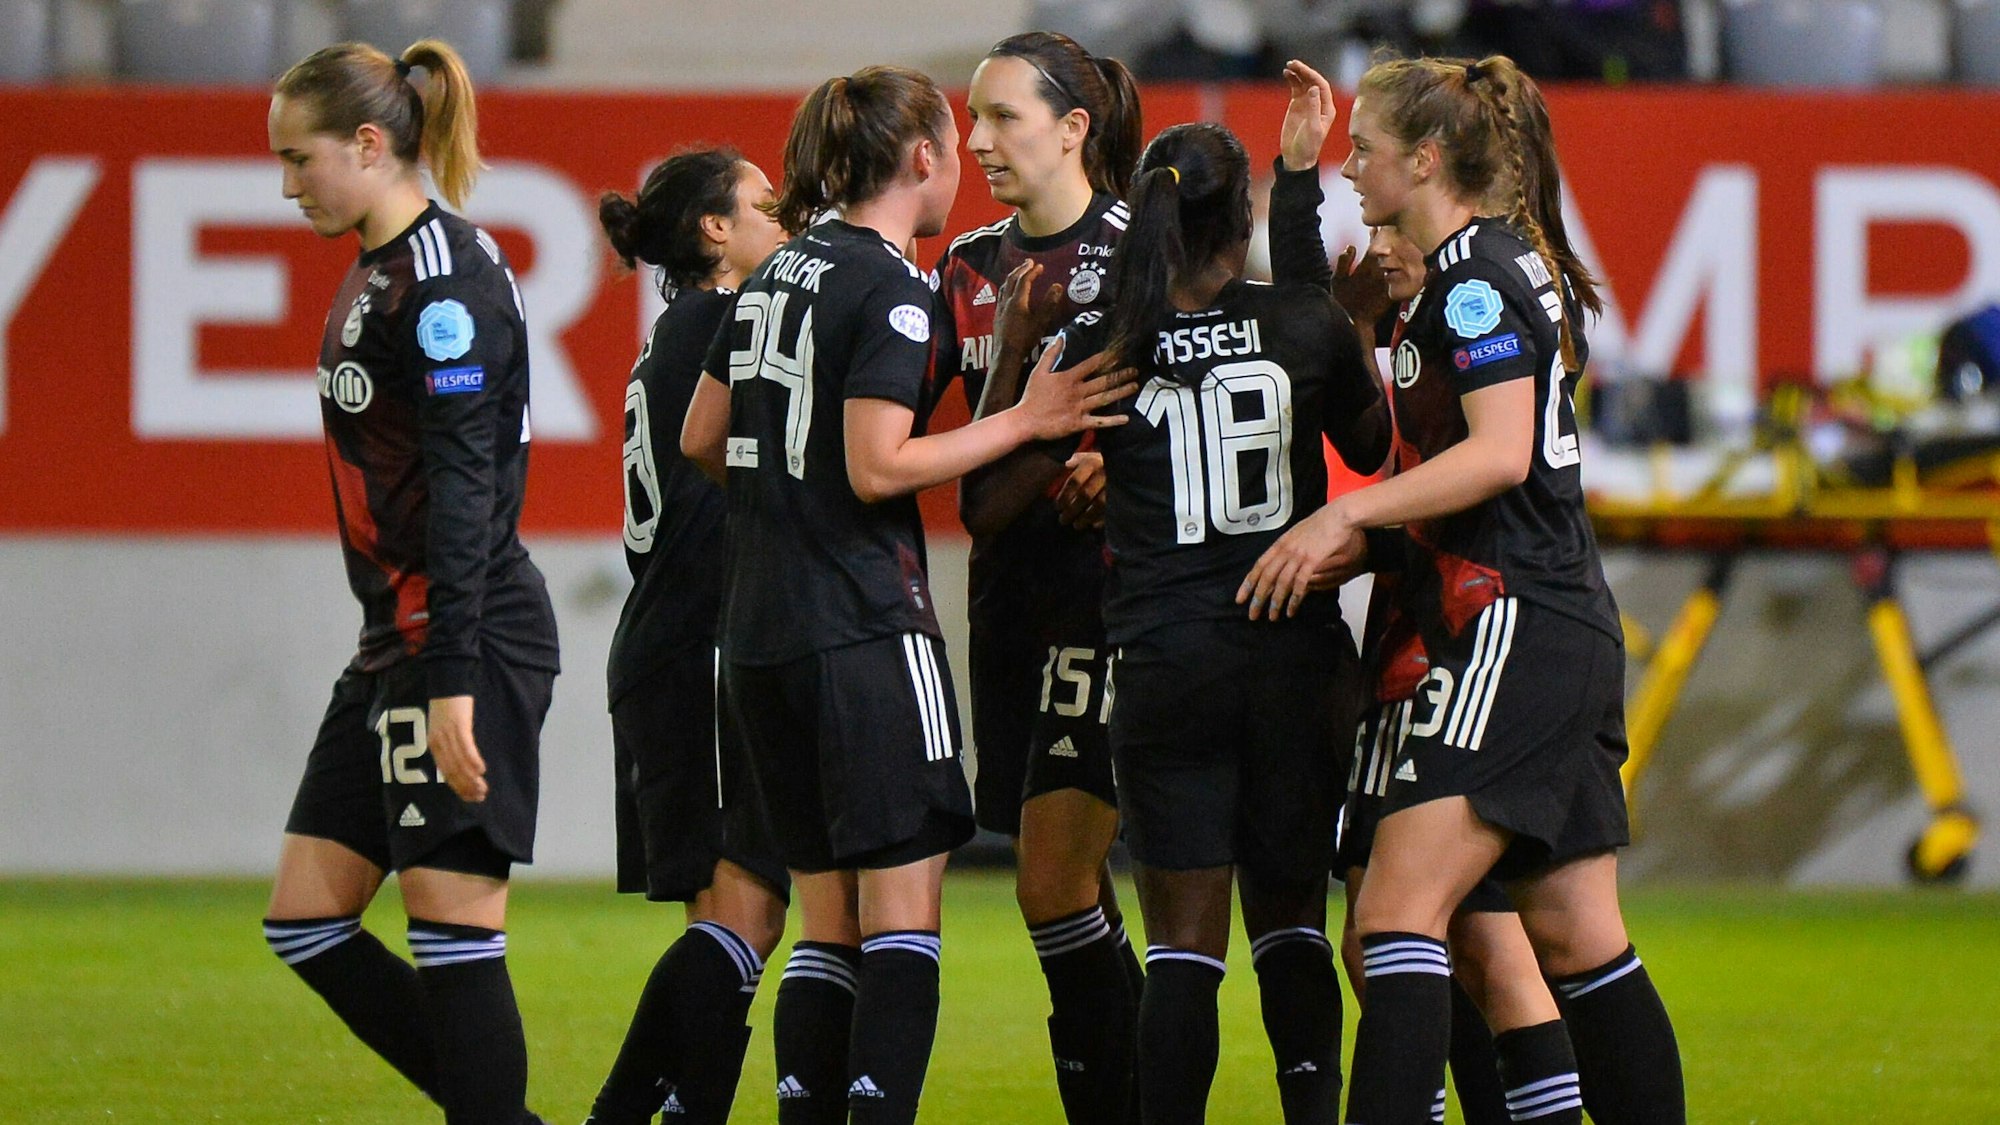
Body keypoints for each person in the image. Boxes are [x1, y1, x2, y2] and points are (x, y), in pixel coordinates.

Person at [679, 65, 1136, 1125]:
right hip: (861, 632)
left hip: (755, 635)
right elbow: (880, 467)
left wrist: (789, 500)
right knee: (898, 922)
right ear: (921, 157)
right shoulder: (893, 285)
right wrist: (1022, 418)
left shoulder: (774, 271)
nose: (973, 145)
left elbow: (704, 438)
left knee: (823, 923)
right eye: (961, 125)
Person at [1240, 54, 1686, 1125]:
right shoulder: (1463, 273)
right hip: (1531, 618)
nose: (1352, 170)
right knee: (1574, 936)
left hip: (1509, 623)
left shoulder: (1474, 276)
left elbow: (1495, 455)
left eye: (1365, 152)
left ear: (1427, 160)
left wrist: (1347, 512)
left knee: (1395, 916)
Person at [1055, 118, 1386, 1125]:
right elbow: (1369, 454)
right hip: (1290, 656)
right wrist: (1357, 325)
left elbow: (1032, 479)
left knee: (1182, 953)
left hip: (1164, 666)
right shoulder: (1302, 324)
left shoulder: (1107, 340)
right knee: (1291, 929)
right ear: (1238, 217)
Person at [260, 39, 561, 1125]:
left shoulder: (444, 285)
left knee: (454, 935)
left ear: (370, 144)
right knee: (306, 917)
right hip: (399, 636)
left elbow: (469, 490)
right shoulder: (380, 270)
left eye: (301, 159)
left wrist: (452, 674)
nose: (289, 184)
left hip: (457, 638)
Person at [928, 30, 1145, 1123]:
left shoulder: (1146, 250)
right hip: (1002, 602)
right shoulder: (964, 266)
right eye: (971, 119)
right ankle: (1137, 1092)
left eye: (1002, 117)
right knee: (1066, 890)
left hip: (1104, 604)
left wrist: (1127, 458)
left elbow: (1228, 384)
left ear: (1074, 128)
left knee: (1049, 884)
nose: (977, 140)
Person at [584, 148, 793, 1125]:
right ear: (715, 230)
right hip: (701, 643)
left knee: (734, 918)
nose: (781, 215)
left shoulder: (680, 334)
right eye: (762, 204)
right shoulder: (726, 327)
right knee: (743, 916)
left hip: (673, 643)